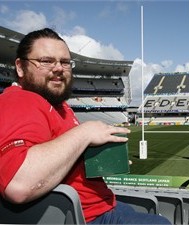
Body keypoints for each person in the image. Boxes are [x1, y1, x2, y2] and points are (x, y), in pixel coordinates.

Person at [0, 28, 171, 224]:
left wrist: (101, 158)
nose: (58, 68)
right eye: (46, 61)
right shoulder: (20, 101)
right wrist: (85, 132)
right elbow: (18, 185)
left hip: (100, 204)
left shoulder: (58, 104)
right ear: (20, 67)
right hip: (84, 215)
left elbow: (61, 152)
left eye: (65, 62)